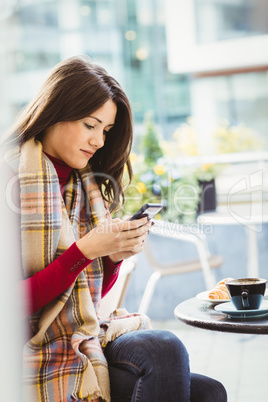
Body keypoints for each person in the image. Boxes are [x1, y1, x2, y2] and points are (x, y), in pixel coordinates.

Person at [3, 55, 227, 402]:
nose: (99, 142)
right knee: (161, 348)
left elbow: (85, 298)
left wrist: (111, 259)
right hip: (25, 351)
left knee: (209, 391)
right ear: (54, 112)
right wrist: (84, 251)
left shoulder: (86, 186)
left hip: (79, 339)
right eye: (90, 125)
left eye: (106, 131)